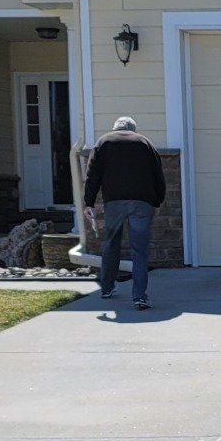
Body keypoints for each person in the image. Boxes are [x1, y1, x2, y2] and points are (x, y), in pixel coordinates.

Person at [84, 116, 166, 309]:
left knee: (111, 244)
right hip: (142, 202)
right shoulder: (145, 143)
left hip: (114, 202)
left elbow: (92, 175)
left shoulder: (103, 142)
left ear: (115, 128)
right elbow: (158, 175)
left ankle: (106, 288)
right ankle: (139, 296)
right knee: (139, 250)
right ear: (133, 130)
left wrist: (89, 202)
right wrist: (157, 201)